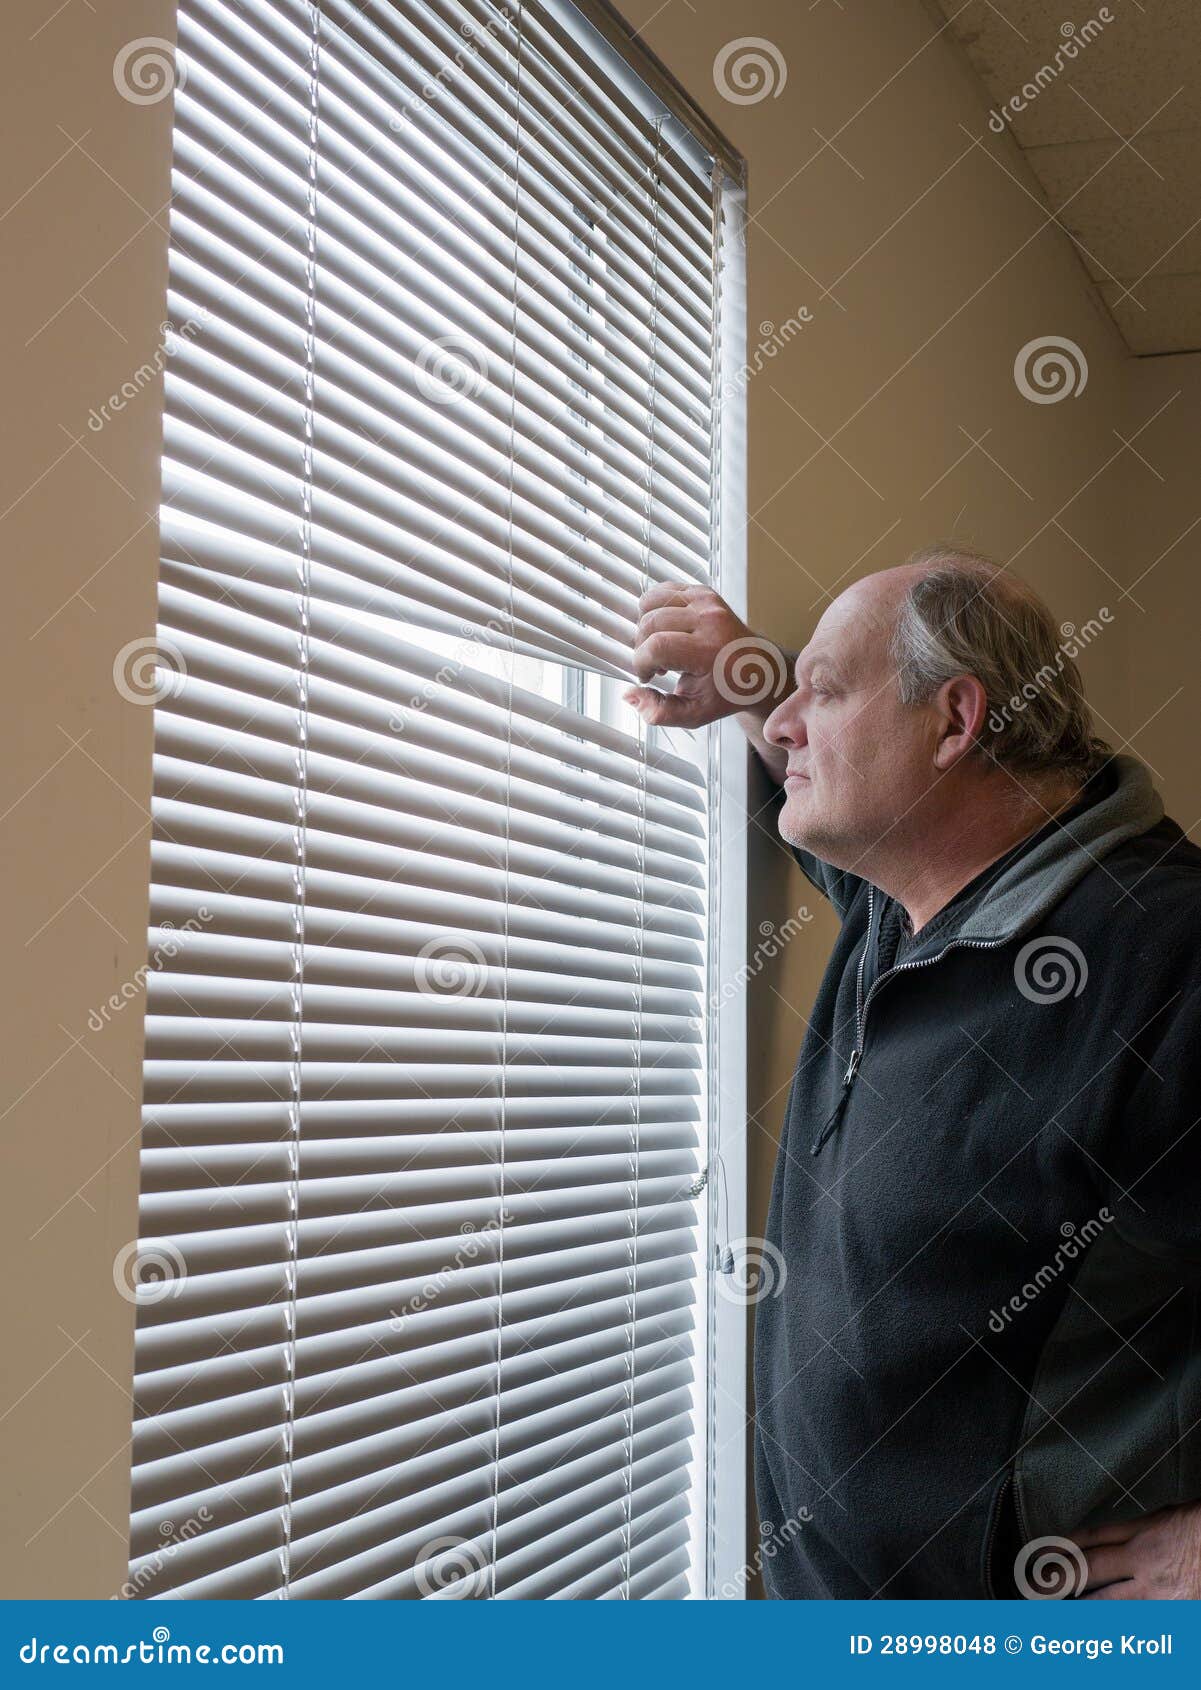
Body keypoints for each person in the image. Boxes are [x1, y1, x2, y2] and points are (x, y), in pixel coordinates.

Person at [625, 545, 1201, 1600]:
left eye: (826, 691)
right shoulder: (905, 902)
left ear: (954, 721)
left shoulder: (1167, 958)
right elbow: (816, 787)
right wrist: (756, 678)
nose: (788, 724)